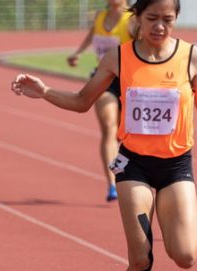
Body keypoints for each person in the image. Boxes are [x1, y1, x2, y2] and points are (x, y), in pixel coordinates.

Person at [11, 0, 197, 270]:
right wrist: (45, 92)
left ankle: (170, 219)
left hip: (176, 165)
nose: (159, 26)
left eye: (167, 20)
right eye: (152, 18)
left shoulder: (193, 57)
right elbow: (82, 101)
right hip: (134, 165)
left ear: (176, 19)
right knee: (140, 260)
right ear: (138, 17)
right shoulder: (118, 57)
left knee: (185, 256)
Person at [66, 0, 133, 202]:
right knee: (108, 127)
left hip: (130, 83)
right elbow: (91, 35)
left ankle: (131, 173)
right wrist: (77, 52)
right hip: (104, 79)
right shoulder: (99, 17)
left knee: (126, 134)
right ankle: (112, 183)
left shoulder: (133, 19)